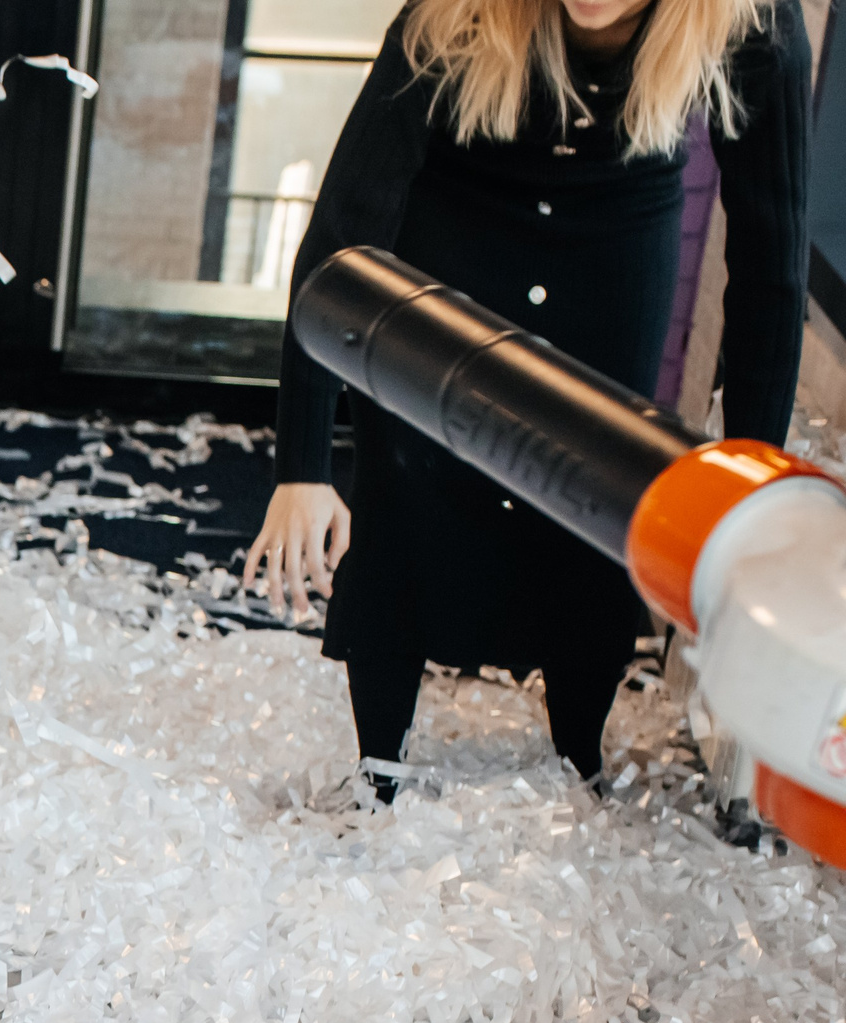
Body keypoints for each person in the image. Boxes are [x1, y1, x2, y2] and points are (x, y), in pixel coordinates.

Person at [242, 0, 809, 798]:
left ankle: (579, 756)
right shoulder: (454, 12)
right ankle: (380, 761)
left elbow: (770, 273)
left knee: (597, 484)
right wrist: (300, 468)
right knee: (411, 475)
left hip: (617, 235)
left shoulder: (752, 24)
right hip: (455, 217)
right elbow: (341, 237)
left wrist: (749, 515)